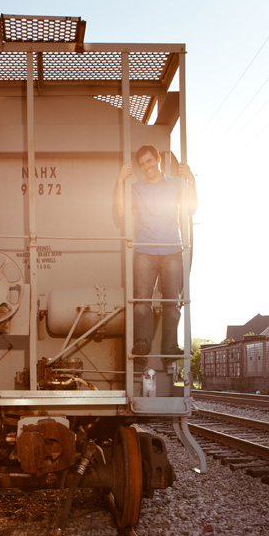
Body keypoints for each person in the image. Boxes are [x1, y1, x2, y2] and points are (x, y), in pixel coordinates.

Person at [115, 144, 197, 368]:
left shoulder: (177, 184)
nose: (146, 167)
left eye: (149, 161)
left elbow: (192, 208)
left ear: (158, 159)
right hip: (145, 250)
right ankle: (142, 343)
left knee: (173, 302)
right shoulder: (136, 188)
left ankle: (170, 348)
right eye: (142, 165)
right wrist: (120, 181)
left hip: (172, 249)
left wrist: (192, 180)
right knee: (142, 302)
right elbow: (122, 211)